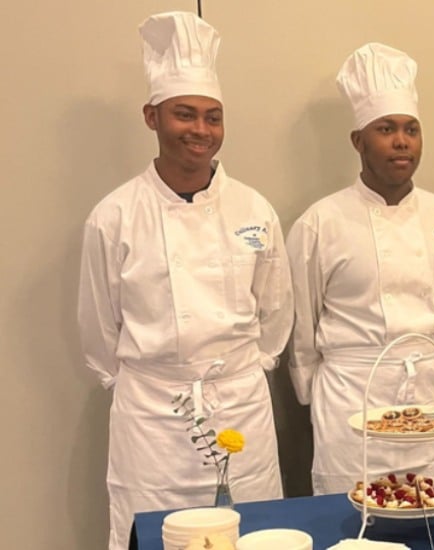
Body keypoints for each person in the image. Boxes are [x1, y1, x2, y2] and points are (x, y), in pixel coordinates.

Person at [77, 12, 293, 549]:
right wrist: (154, 383)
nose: (201, 130)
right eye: (184, 114)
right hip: (152, 418)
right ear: (152, 117)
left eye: (213, 117)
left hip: (239, 401)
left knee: (255, 532)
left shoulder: (254, 208)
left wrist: (240, 374)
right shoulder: (115, 215)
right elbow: (99, 330)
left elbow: (276, 313)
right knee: (153, 534)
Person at [287, 43, 434, 495]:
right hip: (352, 401)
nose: (401, 141)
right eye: (386, 129)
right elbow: (300, 330)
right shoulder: (320, 223)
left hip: (430, 399)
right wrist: (319, 398)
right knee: (352, 521)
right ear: (358, 140)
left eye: (411, 129)